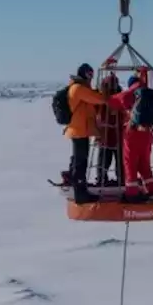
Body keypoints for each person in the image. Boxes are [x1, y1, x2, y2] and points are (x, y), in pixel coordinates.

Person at [109, 70, 153, 202]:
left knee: (130, 163)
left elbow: (112, 101)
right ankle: (152, 190)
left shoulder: (128, 94)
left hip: (132, 134)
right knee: (144, 164)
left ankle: (132, 194)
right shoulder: (149, 94)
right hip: (147, 133)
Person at [64, 63, 107, 203]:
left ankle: (76, 184)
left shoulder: (80, 88)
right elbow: (98, 99)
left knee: (80, 160)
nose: (91, 78)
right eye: (89, 75)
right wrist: (105, 95)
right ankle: (80, 192)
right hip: (79, 130)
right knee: (80, 162)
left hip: (80, 130)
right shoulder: (78, 89)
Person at [94, 73, 123, 186]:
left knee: (105, 161)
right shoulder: (118, 96)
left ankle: (103, 179)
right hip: (113, 135)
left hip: (108, 135)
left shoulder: (102, 98)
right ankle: (121, 180)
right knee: (115, 162)